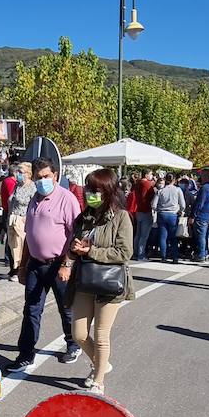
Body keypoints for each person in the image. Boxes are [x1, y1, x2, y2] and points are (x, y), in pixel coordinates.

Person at [56, 168, 134, 395]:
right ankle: (102, 363)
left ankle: (99, 379)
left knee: (101, 335)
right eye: (88, 189)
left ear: (108, 191)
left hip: (110, 283)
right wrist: (70, 257)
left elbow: (124, 252)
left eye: (95, 189)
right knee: (78, 333)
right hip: (85, 280)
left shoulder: (121, 217)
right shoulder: (84, 217)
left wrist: (91, 250)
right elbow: (73, 244)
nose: (90, 193)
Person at [14, 158, 81, 370]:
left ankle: (73, 344)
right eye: (39, 177)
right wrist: (22, 266)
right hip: (35, 263)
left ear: (55, 175)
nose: (43, 181)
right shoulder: (34, 199)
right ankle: (26, 353)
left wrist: (68, 264)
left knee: (66, 307)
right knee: (31, 310)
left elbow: (76, 234)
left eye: (46, 177)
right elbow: (28, 236)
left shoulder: (66, 199)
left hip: (59, 263)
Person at [5, 162, 35, 281]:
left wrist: (28, 217)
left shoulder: (32, 187)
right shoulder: (18, 185)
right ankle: (15, 269)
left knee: (22, 246)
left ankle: (21, 270)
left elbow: (34, 203)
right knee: (13, 246)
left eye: (21, 172)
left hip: (23, 220)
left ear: (28, 174)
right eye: (17, 172)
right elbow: (12, 202)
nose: (18, 174)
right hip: (13, 218)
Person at [153, 173, 187, 263]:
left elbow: (153, 204)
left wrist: (158, 209)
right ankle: (174, 257)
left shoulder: (160, 190)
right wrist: (180, 210)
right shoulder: (178, 190)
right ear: (174, 180)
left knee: (163, 236)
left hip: (162, 214)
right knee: (173, 237)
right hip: (173, 214)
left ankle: (163, 256)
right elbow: (183, 204)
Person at [129, 170, 156, 261]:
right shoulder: (147, 184)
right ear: (147, 174)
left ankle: (135, 253)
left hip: (139, 210)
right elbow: (152, 195)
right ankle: (141, 254)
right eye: (151, 174)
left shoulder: (137, 184)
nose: (152, 176)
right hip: (146, 211)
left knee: (138, 234)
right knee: (144, 235)